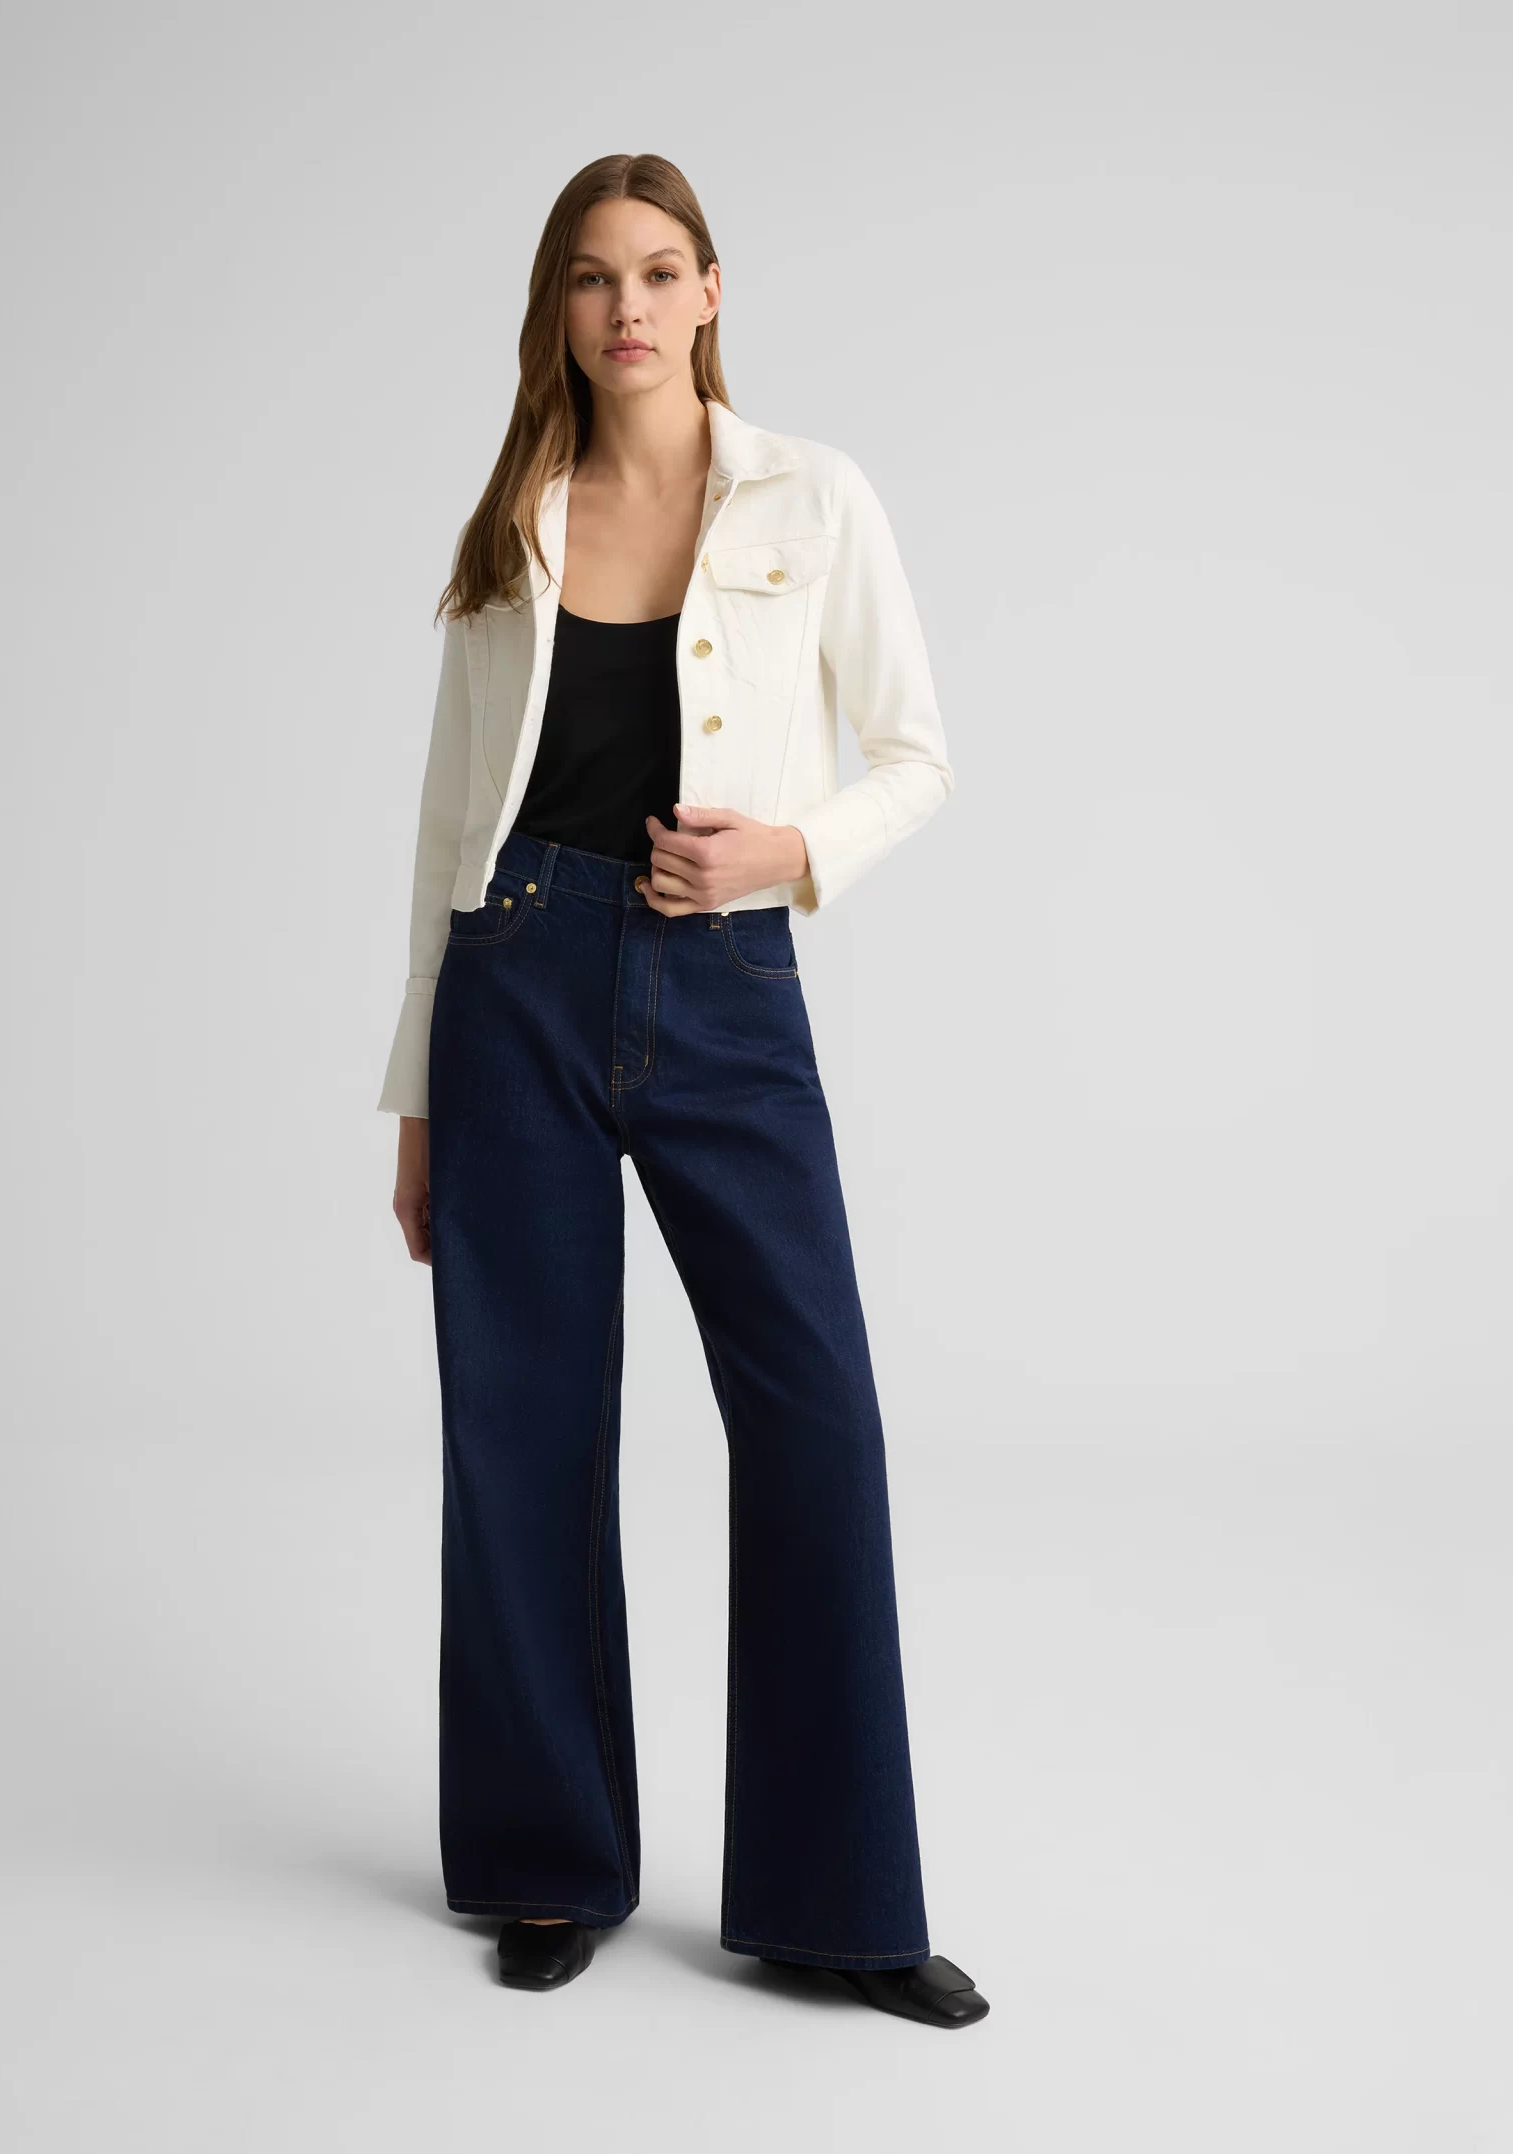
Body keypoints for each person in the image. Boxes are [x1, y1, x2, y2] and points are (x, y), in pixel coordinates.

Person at [377, 153, 986, 2031]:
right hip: (515, 985)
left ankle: (836, 1902)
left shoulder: (815, 493)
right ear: (557, 309)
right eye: (591, 277)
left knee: (815, 1419)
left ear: (711, 291)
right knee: (524, 1428)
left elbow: (919, 756)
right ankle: (547, 1862)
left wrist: (785, 851)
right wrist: (416, 1094)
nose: (625, 307)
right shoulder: (514, 521)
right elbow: (447, 821)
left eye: (657, 272)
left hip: (724, 985)